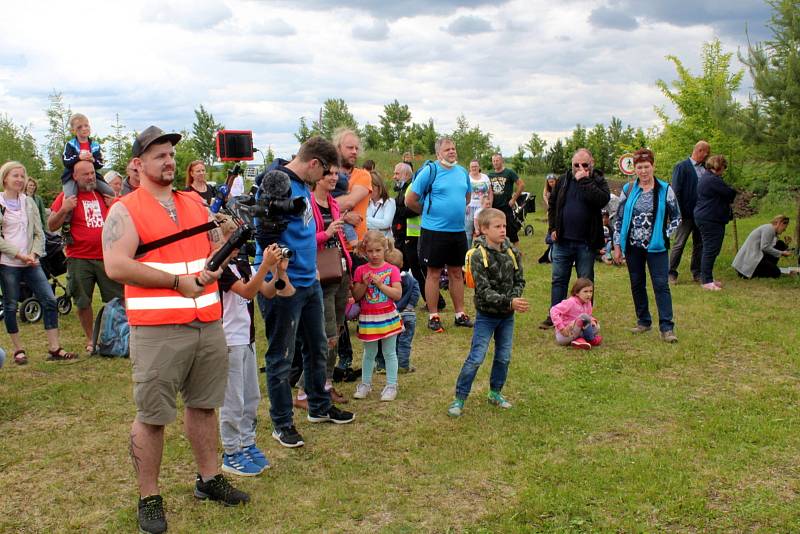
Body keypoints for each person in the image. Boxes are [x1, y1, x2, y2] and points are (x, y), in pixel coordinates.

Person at [102, 126, 249, 534]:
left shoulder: (195, 204)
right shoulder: (125, 209)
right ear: (138, 164)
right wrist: (174, 284)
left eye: (170, 154)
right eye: (158, 155)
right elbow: (116, 265)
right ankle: (149, 497)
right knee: (152, 416)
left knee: (203, 406)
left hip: (206, 322)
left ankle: (208, 478)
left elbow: (208, 254)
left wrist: (228, 248)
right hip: (158, 328)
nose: (168, 161)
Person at [258, 136, 355, 451]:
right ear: (314, 163)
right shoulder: (276, 185)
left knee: (318, 346)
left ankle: (319, 405)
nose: (328, 179)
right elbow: (266, 238)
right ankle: (282, 423)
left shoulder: (301, 187)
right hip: (283, 284)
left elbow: (300, 233)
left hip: (309, 280)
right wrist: (281, 277)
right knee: (282, 356)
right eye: (326, 171)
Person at [218, 242, 293, 477]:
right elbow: (247, 292)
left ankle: (247, 443)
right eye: (228, 240)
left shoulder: (241, 265)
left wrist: (279, 270)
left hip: (247, 339)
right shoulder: (220, 271)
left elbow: (269, 291)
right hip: (229, 341)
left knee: (251, 396)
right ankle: (231, 451)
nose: (234, 245)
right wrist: (264, 266)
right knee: (233, 400)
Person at [447, 208, 528, 417]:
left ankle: (495, 393)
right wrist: (510, 302)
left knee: (503, 357)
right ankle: (459, 398)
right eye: (497, 227)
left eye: (504, 226)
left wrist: (514, 298)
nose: (503, 231)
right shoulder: (477, 256)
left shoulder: (513, 252)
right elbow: (483, 292)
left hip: (507, 317)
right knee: (476, 357)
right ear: (484, 229)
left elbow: (520, 280)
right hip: (486, 316)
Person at [0, 161, 77, 365]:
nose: (19, 179)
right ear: (5, 179)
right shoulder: (0, 203)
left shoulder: (28, 202)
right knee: (10, 305)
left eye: (22, 176)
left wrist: (34, 253)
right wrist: (19, 255)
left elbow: (38, 232)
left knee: (49, 300)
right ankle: (18, 350)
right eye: (15, 175)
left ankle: (54, 348)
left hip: (32, 262)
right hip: (9, 263)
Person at [294, 163, 353, 408]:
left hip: (339, 271)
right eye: (328, 173)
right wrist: (327, 233)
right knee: (325, 335)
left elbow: (339, 236)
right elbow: (304, 238)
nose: (333, 177)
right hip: (320, 273)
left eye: (335, 174)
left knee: (336, 330)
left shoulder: (334, 202)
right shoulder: (306, 202)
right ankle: (303, 390)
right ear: (317, 177)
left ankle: (325, 384)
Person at [48, 160, 123, 353]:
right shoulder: (67, 196)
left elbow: (125, 220)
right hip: (79, 257)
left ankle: (117, 336)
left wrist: (114, 204)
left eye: (92, 173)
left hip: (107, 255)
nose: (90, 177)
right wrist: (64, 208)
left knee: (117, 298)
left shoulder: (103, 194)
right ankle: (92, 339)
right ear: (75, 177)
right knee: (82, 301)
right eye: (85, 174)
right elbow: (51, 225)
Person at [613, 148, 681, 343]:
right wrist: (617, 244)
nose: (643, 171)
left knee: (661, 285)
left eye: (646, 167)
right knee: (637, 284)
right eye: (639, 167)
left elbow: (677, 218)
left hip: (656, 248)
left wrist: (664, 234)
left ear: (653, 167)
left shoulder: (665, 189)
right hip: (633, 246)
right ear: (634, 169)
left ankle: (667, 327)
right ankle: (643, 320)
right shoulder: (628, 190)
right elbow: (618, 218)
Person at [405, 136, 473, 333]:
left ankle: (460, 314)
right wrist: (429, 213)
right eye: (447, 149)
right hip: (434, 232)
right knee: (433, 274)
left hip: (458, 231)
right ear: (438, 153)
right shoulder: (430, 171)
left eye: (453, 148)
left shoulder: (462, 172)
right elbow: (410, 200)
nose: (452, 151)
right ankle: (433, 316)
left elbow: (466, 197)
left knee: (456, 273)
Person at [542, 148, 610, 329]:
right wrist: (553, 227)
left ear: (591, 164)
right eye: (576, 165)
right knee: (558, 279)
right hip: (562, 240)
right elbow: (553, 205)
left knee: (585, 280)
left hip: (585, 243)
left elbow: (602, 200)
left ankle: (586, 319)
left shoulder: (597, 180)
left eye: (584, 164)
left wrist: (584, 180)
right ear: (571, 164)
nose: (580, 167)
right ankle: (554, 316)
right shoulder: (563, 180)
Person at [351, 230, 403, 401]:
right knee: (369, 352)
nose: (374, 255)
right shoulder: (360, 270)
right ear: (365, 251)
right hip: (368, 317)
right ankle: (365, 384)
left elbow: (397, 294)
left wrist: (380, 285)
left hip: (387, 316)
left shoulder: (392, 270)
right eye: (370, 251)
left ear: (385, 249)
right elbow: (357, 296)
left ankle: (391, 385)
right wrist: (364, 284)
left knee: (389, 352)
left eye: (378, 251)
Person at [669, 141, 710, 284]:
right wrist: (677, 213)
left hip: (701, 214)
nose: (708, 155)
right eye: (707, 152)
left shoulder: (705, 169)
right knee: (679, 243)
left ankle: (696, 272)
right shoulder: (682, 167)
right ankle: (671, 272)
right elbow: (676, 191)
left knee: (699, 244)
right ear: (700, 150)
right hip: (685, 215)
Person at [694, 155, 737, 291]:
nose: (724, 170)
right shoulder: (713, 180)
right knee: (710, 249)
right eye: (723, 167)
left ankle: (708, 277)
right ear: (718, 166)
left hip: (708, 217)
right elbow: (730, 193)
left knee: (711, 248)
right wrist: (731, 190)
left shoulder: (707, 178)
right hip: (710, 218)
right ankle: (706, 280)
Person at [331, 128, 371, 243]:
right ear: (338, 149)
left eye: (356, 148)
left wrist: (326, 208)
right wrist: (346, 216)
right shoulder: (325, 175)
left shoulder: (363, 175)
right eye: (350, 147)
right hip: (331, 246)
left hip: (357, 248)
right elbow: (313, 204)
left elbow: (349, 202)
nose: (354, 151)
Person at [387, 248, 419, 373]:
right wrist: (410, 306)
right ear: (402, 264)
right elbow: (416, 292)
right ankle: (403, 365)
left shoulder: (387, 281)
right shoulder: (410, 278)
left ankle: (392, 364)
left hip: (393, 314)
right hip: (408, 315)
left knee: (392, 341)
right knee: (405, 341)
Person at [549, 278, 602, 350]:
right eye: (585, 291)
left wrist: (592, 321)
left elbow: (588, 317)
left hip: (577, 332)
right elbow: (553, 310)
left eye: (591, 291)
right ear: (577, 293)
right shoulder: (570, 302)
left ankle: (579, 341)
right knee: (583, 317)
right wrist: (561, 328)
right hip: (565, 335)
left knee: (597, 327)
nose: (589, 294)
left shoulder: (588, 302)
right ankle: (591, 339)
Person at [488, 153, 524, 246]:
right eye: (494, 161)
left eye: (497, 160)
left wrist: (514, 199)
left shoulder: (509, 172)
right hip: (494, 208)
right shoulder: (490, 175)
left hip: (506, 206)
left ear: (502, 161)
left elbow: (521, 185)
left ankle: (517, 252)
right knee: (496, 230)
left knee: (511, 230)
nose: (495, 163)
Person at [466, 159, 492, 247]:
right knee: (468, 232)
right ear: (469, 168)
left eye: (476, 166)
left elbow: (490, 192)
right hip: (469, 208)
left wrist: (490, 205)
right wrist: (464, 205)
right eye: (472, 166)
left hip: (483, 208)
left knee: (484, 231)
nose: (474, 168)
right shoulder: (466, 177)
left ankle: (484, 252)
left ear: (479, 167)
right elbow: (462, 192)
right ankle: (467, 253)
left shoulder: (485, 177)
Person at [366, 171, 396, 239]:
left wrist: (365, 219)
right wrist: (379, 225)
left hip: (384, 243)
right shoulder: (366, 203)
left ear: (379, 187)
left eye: (373, 187)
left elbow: (386, 223)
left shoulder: (389, 202)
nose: (370, 190)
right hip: (368, 242)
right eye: (368, 186)